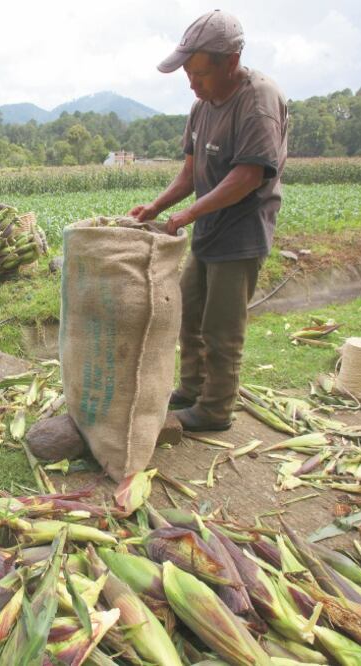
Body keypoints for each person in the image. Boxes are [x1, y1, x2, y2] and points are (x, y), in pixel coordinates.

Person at [130, 10, 288, 432]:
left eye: (199, 74)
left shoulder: (258, 101)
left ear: (230, 63)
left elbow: (248, 176)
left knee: (221, 328)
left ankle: (216, 410)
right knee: (189, 312)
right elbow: (190, 173)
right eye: (187, 74)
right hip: (208, 229)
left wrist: (189, 214)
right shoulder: (202, 106)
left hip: (241, 232)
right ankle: (193, 388)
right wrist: (157, 208)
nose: (192, 84)